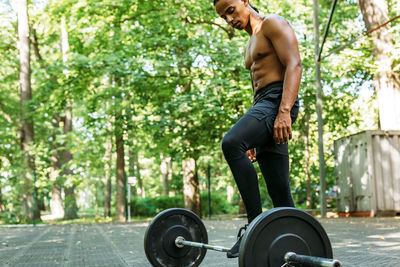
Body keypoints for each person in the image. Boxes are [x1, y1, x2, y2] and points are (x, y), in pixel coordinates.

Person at [213, 0, 302, 258]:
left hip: (279, 102)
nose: (229, 19)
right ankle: (298, 247)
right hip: (264, 107)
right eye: (223, 16)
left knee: (231, 143)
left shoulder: (272, 24)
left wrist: (284, 111)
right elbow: (257, 89)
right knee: (280, 193)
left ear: (245, 1)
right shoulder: (249, 43)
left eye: (231, 10)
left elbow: (294, 65)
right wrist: (252, 136)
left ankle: (253, 225)